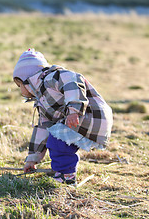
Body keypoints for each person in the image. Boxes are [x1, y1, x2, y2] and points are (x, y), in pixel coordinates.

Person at [13, 48, 113, 185]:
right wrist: (32, 158)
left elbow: (73, 80)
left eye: (19, 85)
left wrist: (73, 110)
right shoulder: (42, 101)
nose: (20, 91)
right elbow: (43, 128)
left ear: (27, 80)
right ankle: (63, 173)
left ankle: (66, 176)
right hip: (79, 119)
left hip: (90, 114)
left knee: (57, 142)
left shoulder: (50, 78)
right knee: (56, 140)